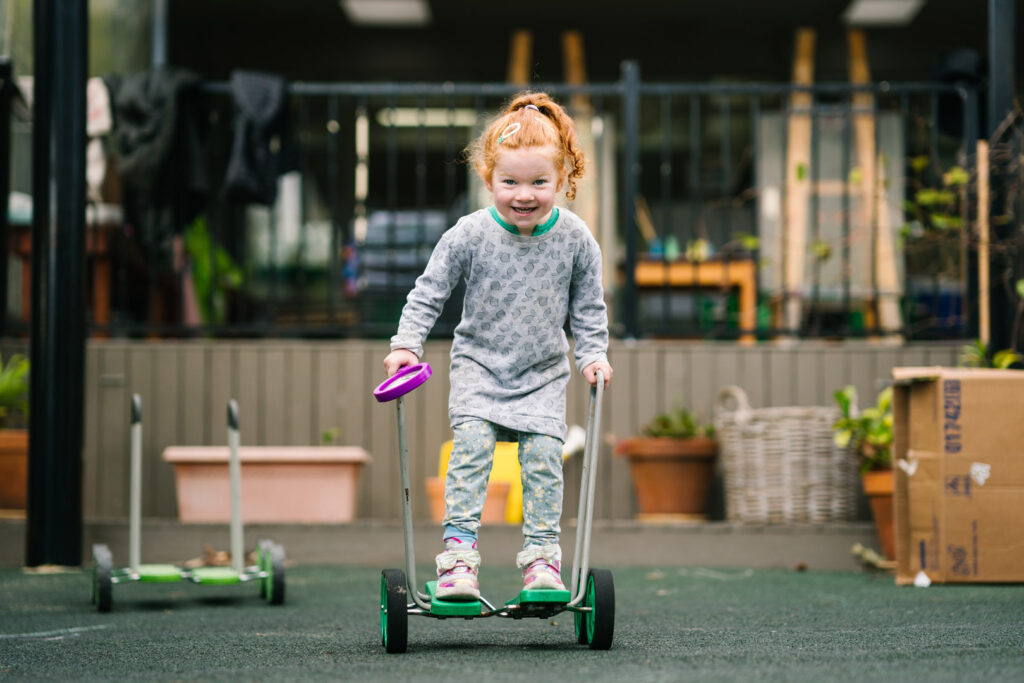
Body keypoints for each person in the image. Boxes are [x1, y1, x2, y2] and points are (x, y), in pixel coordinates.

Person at [383, 92, 613, 600]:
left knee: (543, 459)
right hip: (480, 368)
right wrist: (406, 345)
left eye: (539, 182)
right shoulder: (469, 234)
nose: (523, 194)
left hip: (542, 372)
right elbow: (430, 291)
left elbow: (589, 307)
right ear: (488, 180)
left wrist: (594, 354)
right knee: (471, 451)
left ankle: (542, 562)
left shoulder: (576, 239)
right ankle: (458, 562)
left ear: (564, 181)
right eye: (509, 182)